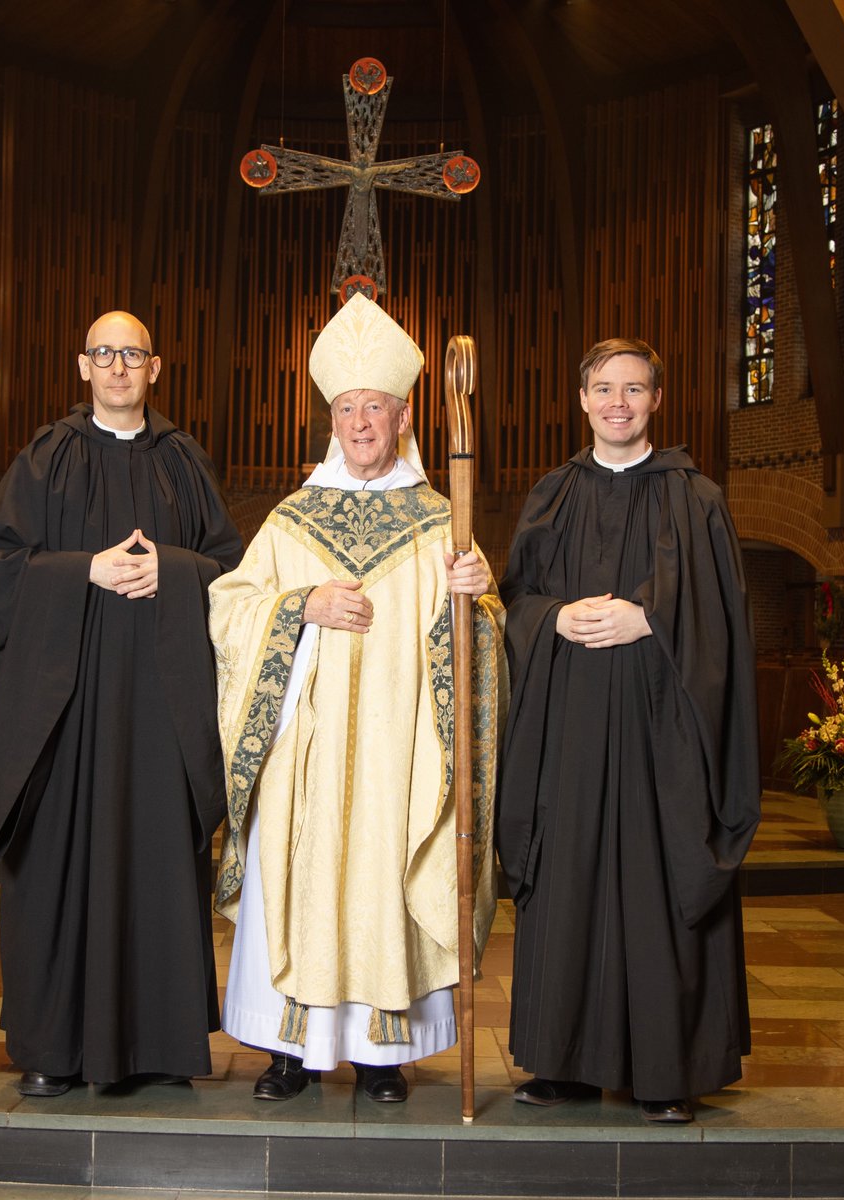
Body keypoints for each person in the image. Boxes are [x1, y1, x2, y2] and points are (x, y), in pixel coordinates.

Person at [208, 293, 506, 1103]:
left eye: (375, 407)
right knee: (293, 877)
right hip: (300, 756)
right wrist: (297, 607)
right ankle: (285, 1048)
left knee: (387, 868)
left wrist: (478, 599)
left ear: (405, 417)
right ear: (331, 421)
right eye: (346, 408)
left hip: (395, 751)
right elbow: (230, 608)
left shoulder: (444, 522)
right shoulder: (290, 520)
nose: (361, 422)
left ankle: (384, 1052)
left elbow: (479, 651)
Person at [0, 310, 243, 1097]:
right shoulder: (46, 457)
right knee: (55, 862)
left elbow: (232, 568)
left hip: (160, 711)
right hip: (67, 708)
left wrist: (177, 572)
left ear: (155, 369)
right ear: (83, 365)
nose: (119, 367)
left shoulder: (185, 463)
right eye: (104, 354)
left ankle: (160, 1043)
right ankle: (54, 1047)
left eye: (133, 355)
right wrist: (81, 572)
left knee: (159, 862)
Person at [496, 337, 760, 1124]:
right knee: (570, 875)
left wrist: (651, 615)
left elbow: (723, 621)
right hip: (571, 727)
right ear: (582, 400)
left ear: (654, 401)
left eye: (634, 389)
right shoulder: (551, 495)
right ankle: (562, 1063)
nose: (618, 402)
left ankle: (666, 1069)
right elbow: (514, 603)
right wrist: (553, 618)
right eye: (604, 388)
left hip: (660, 730)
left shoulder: (697, 498)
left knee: (654, 880)